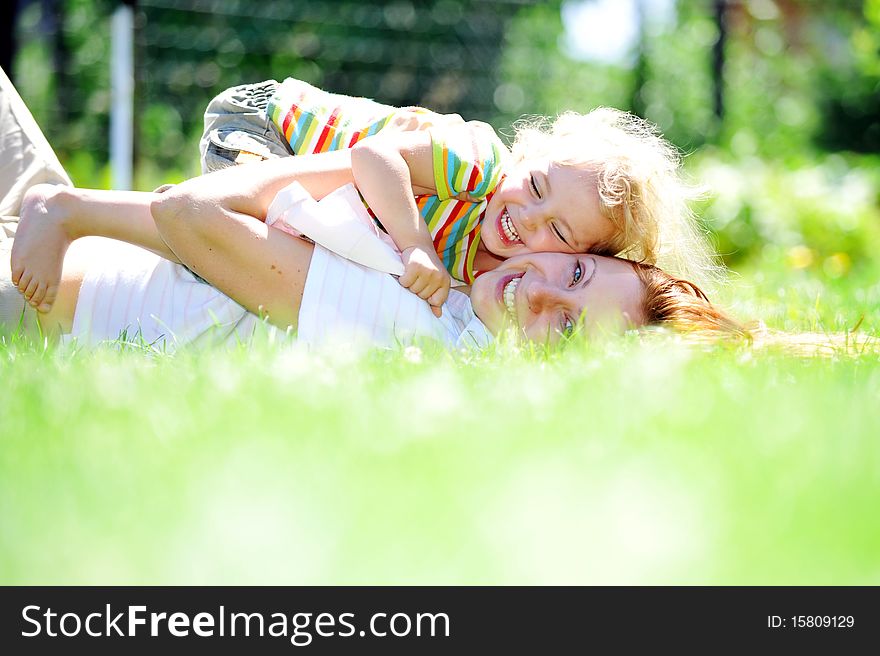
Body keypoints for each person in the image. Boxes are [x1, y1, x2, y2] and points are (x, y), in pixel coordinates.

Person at [197, 78, 717, 311]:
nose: (529, 217)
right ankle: (183, 211)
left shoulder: (496, 270)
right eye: (536, 187)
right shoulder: (480, 162)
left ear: (578, 256)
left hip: (309, 183)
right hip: (269, 127)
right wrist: (416, 242)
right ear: (530, 156)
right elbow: (374, 157)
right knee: (247, 218)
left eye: (558, 231)